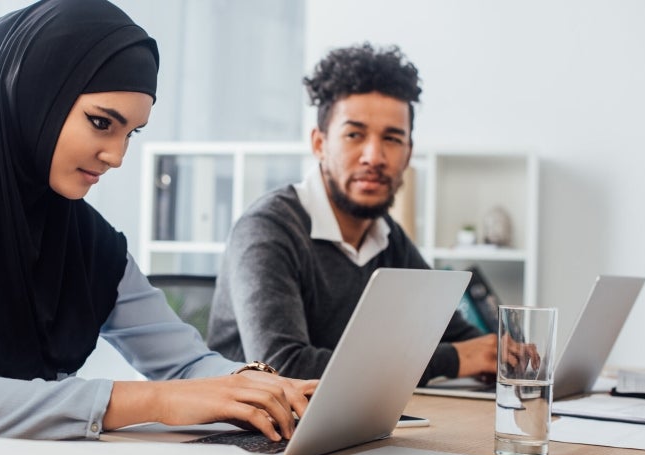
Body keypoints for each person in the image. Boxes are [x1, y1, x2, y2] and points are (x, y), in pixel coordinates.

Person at [0, 0, 316, 454]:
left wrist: (270, 389)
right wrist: (152, 401)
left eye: (131, 134)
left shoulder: (86, 242)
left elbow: (186, 364)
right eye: (103, 123)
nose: (117, 156)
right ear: (33, 95)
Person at [206, 43, 498, 385]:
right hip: (249, 434)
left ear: (407, 154)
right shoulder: (268, 230)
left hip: (348, 426)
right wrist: (451, 360)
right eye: (354, 135)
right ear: (319, 144)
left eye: (392, 138)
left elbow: (456, 335)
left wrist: (507, 351)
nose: (374, 156)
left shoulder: (387, 238)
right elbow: (283, 368)